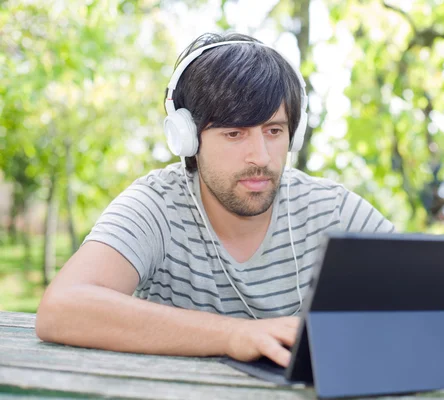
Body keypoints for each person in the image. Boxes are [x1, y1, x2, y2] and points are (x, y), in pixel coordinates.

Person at [35, 32, 395, 368]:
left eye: (273, 131)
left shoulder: (331, 209)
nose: (261, 157)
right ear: (187, 138)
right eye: (234, 133)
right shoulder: (157, 204)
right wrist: (233, 334)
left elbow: (432, 296)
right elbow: (62, 309)